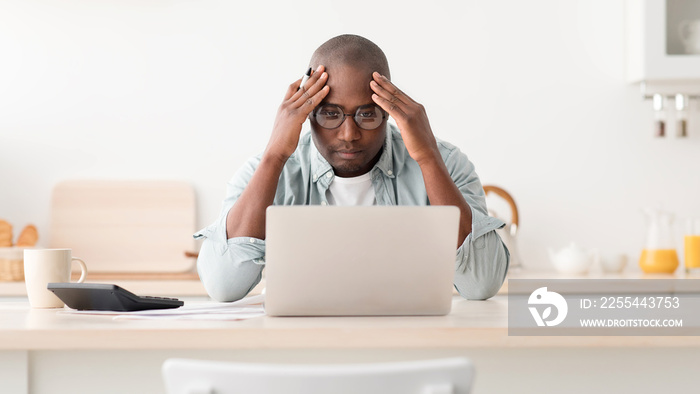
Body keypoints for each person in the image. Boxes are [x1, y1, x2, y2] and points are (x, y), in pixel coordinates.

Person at [195, 34, 509, 302]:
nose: (349, 134)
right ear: (307, 111)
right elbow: (223, 286)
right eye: (330, 114)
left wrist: (427, 159)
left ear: (390, 111)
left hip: (411, 341)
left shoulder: (446, 163)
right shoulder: (266, 171)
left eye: (367, 115)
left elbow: (480, 284)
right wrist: (274, 157)